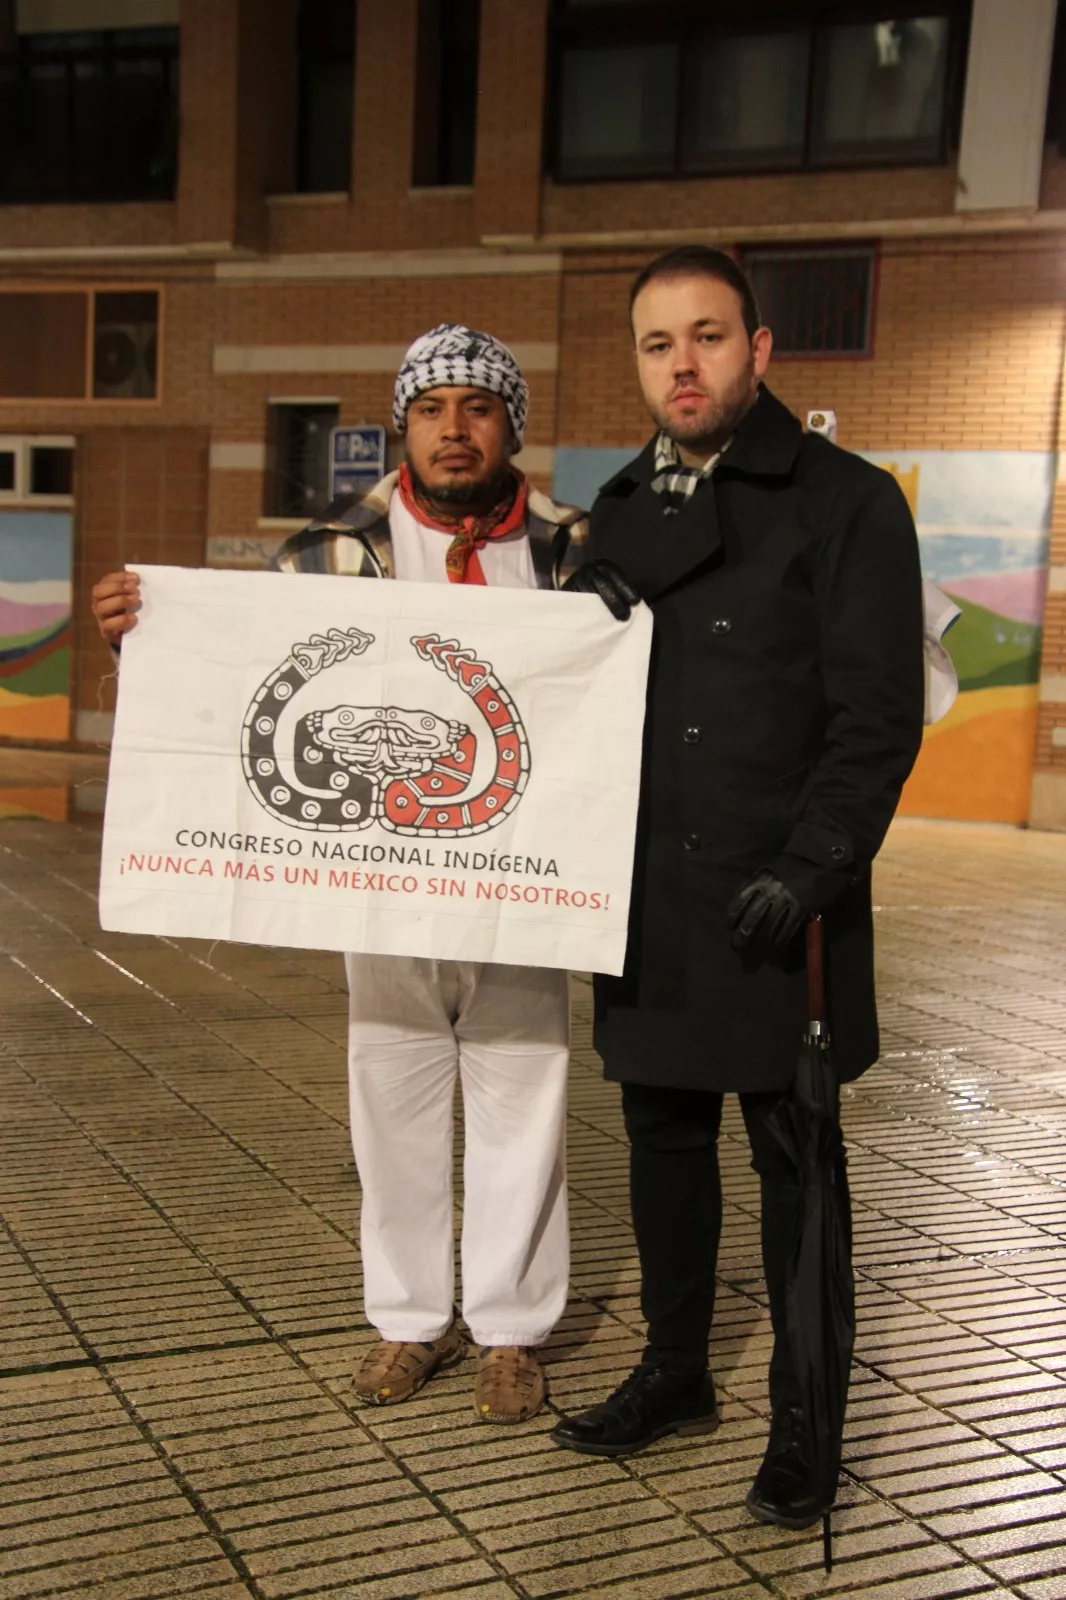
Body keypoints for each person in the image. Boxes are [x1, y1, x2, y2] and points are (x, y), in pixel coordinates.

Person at [91, 323, 597, 1425]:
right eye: (430, 409)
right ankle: (409, 1318)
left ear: (513, 422)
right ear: (401, 426)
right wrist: (145, 636)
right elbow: (235, 678)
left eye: (477, 406)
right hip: (378, 885)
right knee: (393, 1095)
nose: (453, 429)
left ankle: (510, 1330)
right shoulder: (323, 553)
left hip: (527, 875)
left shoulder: (579, 551)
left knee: (524, 1092)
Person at [552, 247, 925, 1529]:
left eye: (707, 336)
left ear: (758, 350)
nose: (684, 365)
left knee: (796, 1169)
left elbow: (877, 719)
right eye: (658, 344)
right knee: (661, 1143)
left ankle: (807, 1422)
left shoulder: (848, 501)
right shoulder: (619, 505)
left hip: (781, 903)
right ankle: (674, 1373)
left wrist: (814, 867)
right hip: (647, 896)